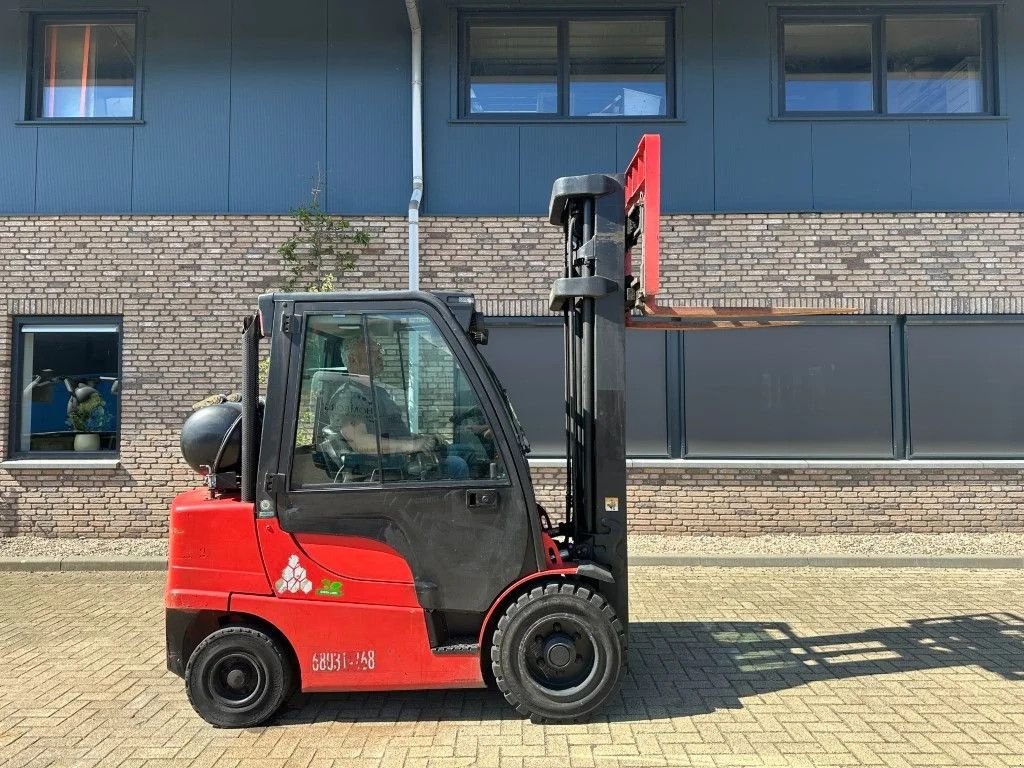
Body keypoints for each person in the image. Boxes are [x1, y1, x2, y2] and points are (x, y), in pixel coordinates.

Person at [328, 338, 470, 480]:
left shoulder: (377, 393)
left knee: (466, 452)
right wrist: (412, 445)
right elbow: (360, 442)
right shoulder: (349, 396)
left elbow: (391, 432)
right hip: (384, 470)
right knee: (458, 465)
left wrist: (421, 439)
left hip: (397, 459)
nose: (379, 356)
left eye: (379, 351)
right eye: (372, 352)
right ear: (353, 360)